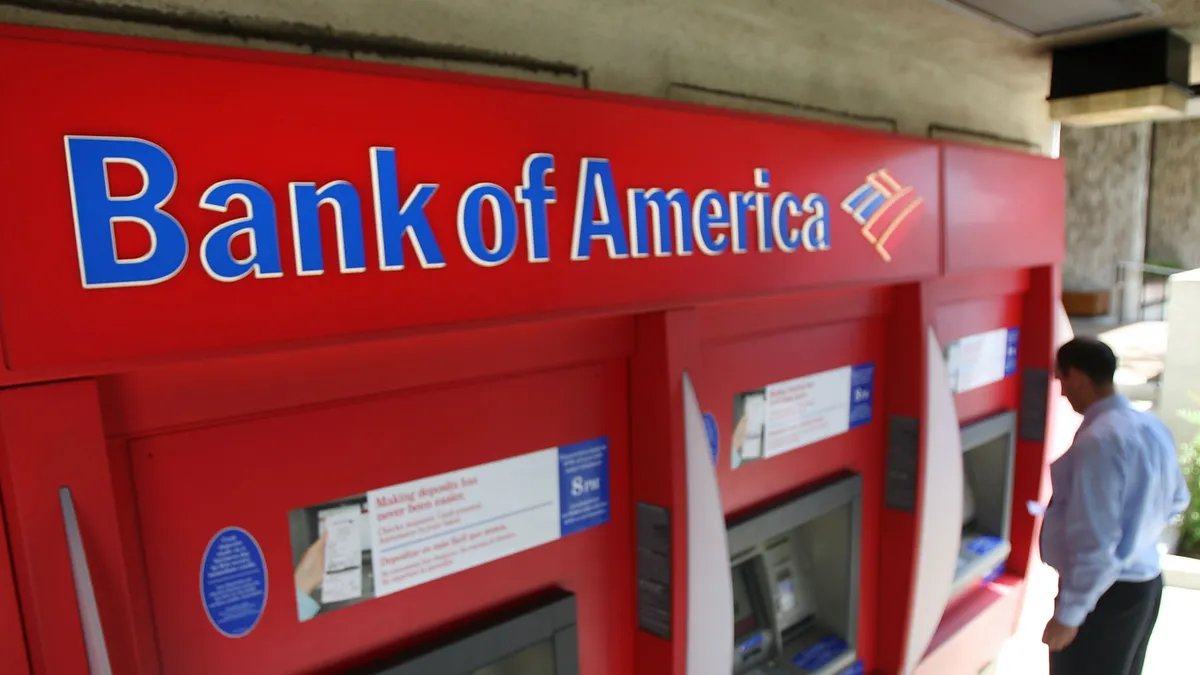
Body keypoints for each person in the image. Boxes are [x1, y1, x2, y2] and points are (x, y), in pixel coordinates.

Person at [1040, 337, 1190, 675]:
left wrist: (1070, 614)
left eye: (1061, 380)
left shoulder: (1099, 441)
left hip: (1104, 596)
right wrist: (1138, 533)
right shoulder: (1150, 426)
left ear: (1076, 375)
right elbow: (1178, 498)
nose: (1062, 392)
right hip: (1143, 587)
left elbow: (1096, 539)